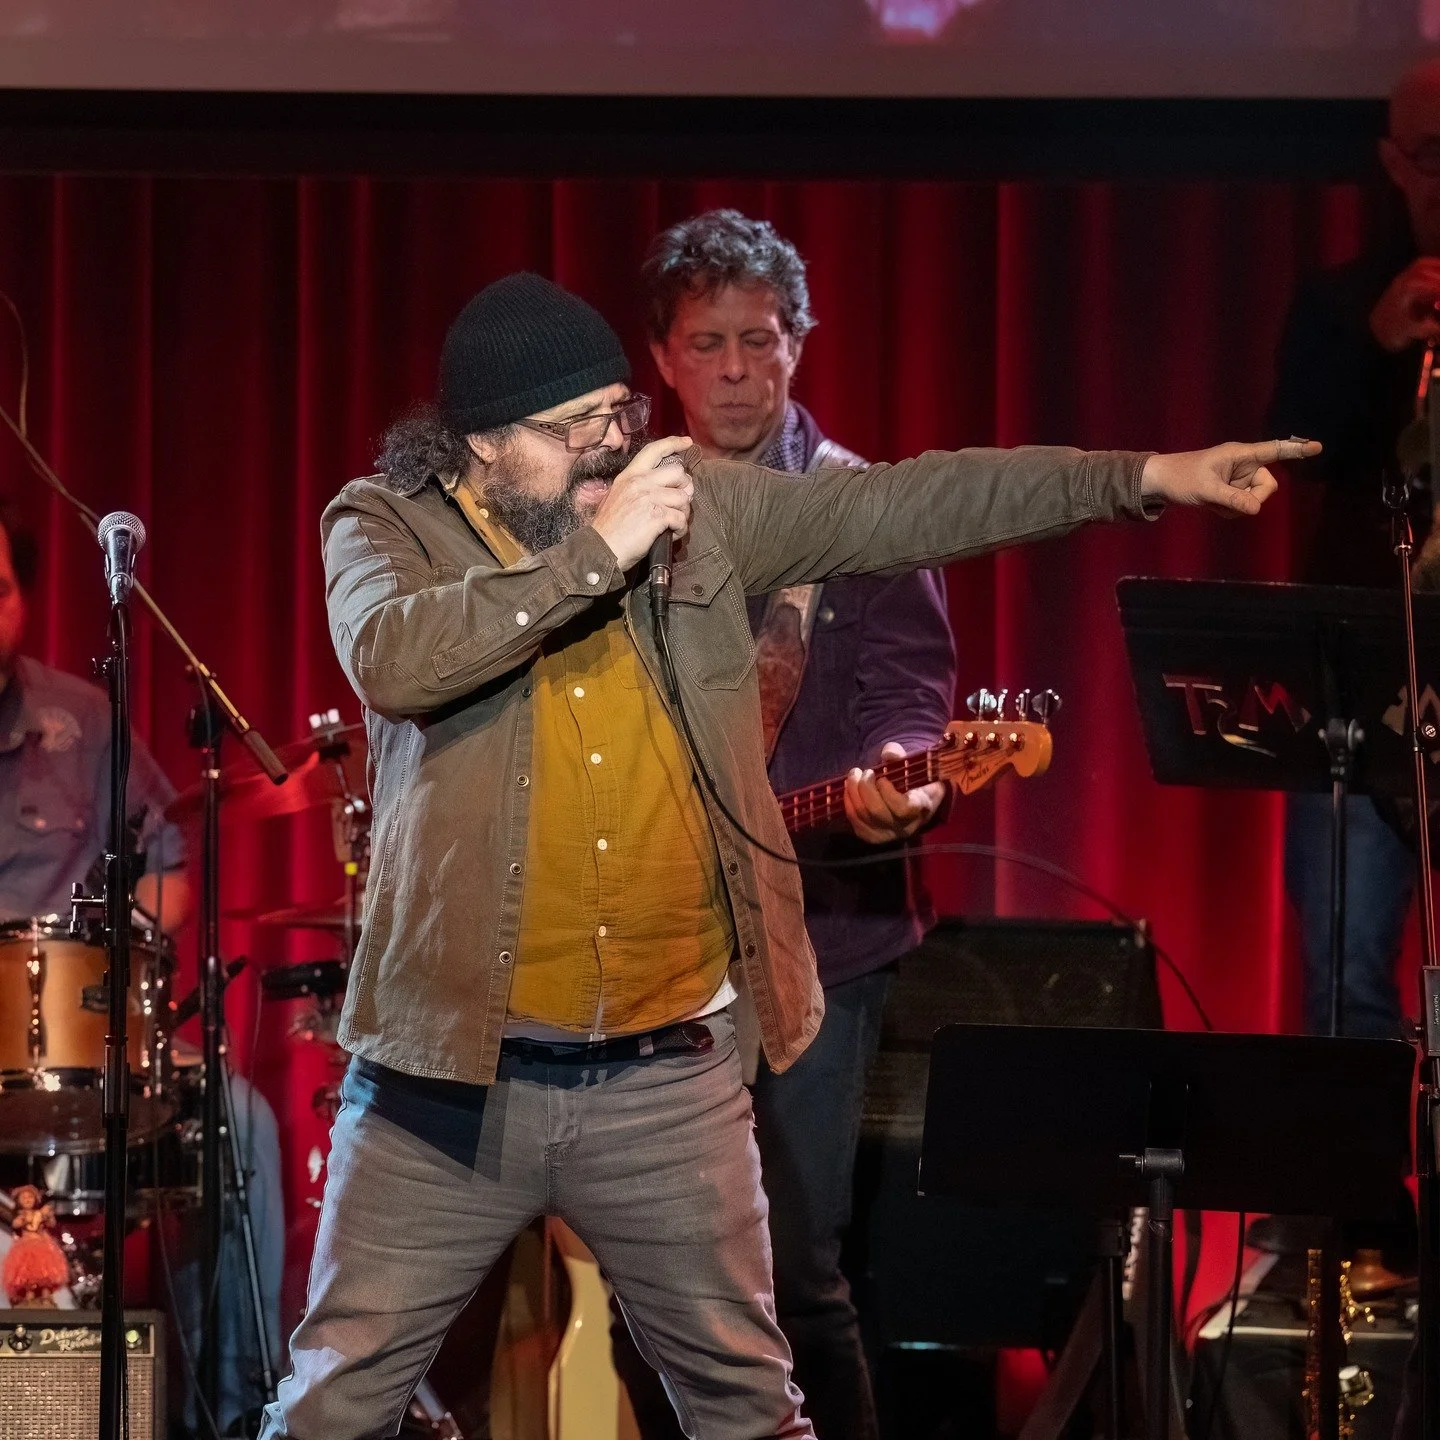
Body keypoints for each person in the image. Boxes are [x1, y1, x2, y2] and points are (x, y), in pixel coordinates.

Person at [260, 267, 1309, 1440]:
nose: (615, 449)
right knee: (332, 1415)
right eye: (580, 430)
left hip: (663, 1082)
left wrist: (1148, 479)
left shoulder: (701, 503)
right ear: (483, 444)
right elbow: (399, 660)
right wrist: (594, 558)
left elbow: (910, 506)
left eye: (621, 415)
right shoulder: (382, 523)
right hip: (445, 1085)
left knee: (751, 1415)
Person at [610, 208, 953, 1440]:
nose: (739, 369)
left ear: (800, 343)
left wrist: (897, 773)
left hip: (823, 941)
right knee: (645, 1293)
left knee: (798, 1276)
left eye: (761, 339)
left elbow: (909, 701)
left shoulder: (864, 509)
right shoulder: (617, 513)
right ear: (664, 357)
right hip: (646, 952)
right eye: (710, 342)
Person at [0, 507, 284, 1437]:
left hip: (90, 1040)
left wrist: (128, 940)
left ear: (25, 600)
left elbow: (166, 867)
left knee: (238, 1121)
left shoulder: (83, 718)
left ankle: (239, 1412)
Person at [1266, 57, 1440, 1044]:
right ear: (1392, 162)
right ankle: (1366, 1200)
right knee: (1346, 977)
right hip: (1359, 680)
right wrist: (1373, 344)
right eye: (1433, 155)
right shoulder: (1339, 303)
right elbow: (1288, 450)